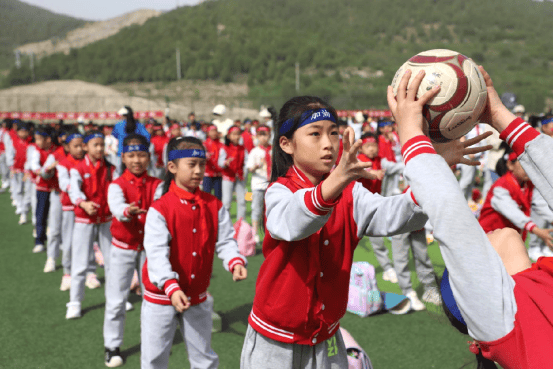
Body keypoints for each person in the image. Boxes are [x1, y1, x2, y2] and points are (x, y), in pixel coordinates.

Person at [240, 95, 478, 369]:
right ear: (286, 144)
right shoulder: (279, 191)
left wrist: (435, 166)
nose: (328, 143)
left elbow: (398, 214)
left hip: (326, 337)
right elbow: (293, 222)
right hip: (274, 340)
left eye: (333, 133)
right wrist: (338, 179)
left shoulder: (351, 193)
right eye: (315, 134)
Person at [387, 65, 553, 369]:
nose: (481, 235)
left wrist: (499, 116)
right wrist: (410, 132)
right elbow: (451, 216)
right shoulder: (500, 320)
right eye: (462, 267)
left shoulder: (546, 275)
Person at [141, 136, 247, 369]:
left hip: (198, 295)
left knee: (204, 359)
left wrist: (234, 260)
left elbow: (226, 240)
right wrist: (170, 285)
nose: (199, 171)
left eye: (202, 164)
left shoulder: (214, 204)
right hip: (160, 297)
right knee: (154, 360)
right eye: (191, 164)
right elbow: (156, 253)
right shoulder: (160, 208)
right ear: (172, 167)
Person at [103, 134, 163, 367]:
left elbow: (160, 208)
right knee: (116, 300)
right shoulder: (116, 185)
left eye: (141, 155)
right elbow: (117, 207)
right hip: (122, 248)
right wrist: (128, 211)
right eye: (131, 155)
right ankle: (112, 345)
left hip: (149, 249)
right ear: (123, 158)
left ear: (149, 157)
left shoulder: (157, 184)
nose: (137, 160)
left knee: (152, 299)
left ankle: (153, 344)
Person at [66, 130, 118, 320]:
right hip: (84, 219)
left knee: (112, 262)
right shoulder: (78, 168)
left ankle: (115, 299)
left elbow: (117, 189)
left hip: (106, 219)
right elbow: (73, 191)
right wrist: (82, 203)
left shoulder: (111, 167)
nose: (99, 148)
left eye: (102, 145)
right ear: (86, 147)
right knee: (79, 264)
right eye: (95, 145)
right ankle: (75, 302)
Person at [356, 132, 402, 284]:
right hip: (357, 208)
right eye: (368, 146)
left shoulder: (379, 160)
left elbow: (394, 167)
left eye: (374, 145)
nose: (371, 149)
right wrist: (372, 173)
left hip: (373, 207)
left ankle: (388, 269)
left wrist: (412, 162)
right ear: (361, 148)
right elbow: (356, 171)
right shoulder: (358, 161)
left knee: (377, 239)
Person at [56, 129, 93, 291]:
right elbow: (64, 184)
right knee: (69, 241)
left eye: (81, 146)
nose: (79, 149)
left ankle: (90, 272)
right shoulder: (63, 164)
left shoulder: (89, 162)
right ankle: (67, 273)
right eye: (75, 146)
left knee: (91, 241)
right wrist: (77, 190)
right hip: (70, 207)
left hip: (88, 208)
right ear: (68, 147)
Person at [28, 126, 57, 255]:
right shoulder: (37, 151)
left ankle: (56, 240)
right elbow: (34, 165)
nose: (37, 142)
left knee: (55, 216)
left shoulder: (56, 151)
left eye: (39, 139)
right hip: (42, 188)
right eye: (36, 139)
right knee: (41, 215)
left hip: (56, 188)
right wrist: (42, 171)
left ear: (48, 139)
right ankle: (39, 241)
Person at [246, 125, 271, 243]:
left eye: (265, 134)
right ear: (257, 136)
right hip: (258, 184)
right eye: (260, 135)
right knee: (256, 209)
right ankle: (254, 233)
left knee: (270, 210)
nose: (263, 138)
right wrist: (257, 166)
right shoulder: (255, 151)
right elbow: (250, 169)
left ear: (269, 135)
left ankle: (269, 233)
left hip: (272, 184)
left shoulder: (274, 150)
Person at [112, 106, 151, 174]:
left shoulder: (118, 124)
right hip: (137, 152)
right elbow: (147, 136)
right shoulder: (139, 125)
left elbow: (114, 135)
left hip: (122, 152)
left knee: (121, 173)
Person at [221, 126, 248, 222]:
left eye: (238, 134)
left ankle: (241, 224)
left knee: (241, 201)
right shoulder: (225, 148)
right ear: (229, 136)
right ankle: (225, 223)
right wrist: (225, 163)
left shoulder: (242, 148)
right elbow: (220, 163)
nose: (236, 137)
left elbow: (246, 162)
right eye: (234, 134)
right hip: (228, 177)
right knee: (226, 202)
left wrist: (244, 173)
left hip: (239, 177)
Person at [203, 124, 224, 200]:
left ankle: (217, 212)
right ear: (208, 133)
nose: (214, 133)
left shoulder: (222, 145)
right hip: (207, 174)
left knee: (218, 197)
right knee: (206, 196)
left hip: (218, 174)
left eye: (215, 131)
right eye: (211, 131)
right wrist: (205, 155)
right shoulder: (204, 144)